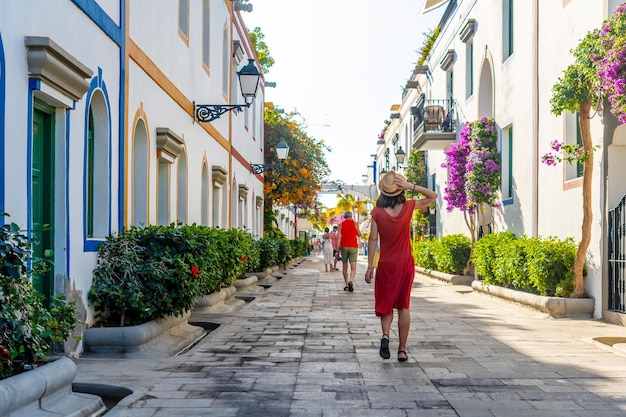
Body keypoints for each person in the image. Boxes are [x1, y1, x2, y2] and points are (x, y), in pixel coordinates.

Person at [365, 171, 437, 362]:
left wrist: (370, 267)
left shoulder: (377, 213)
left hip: (386, 264)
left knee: (386, 304)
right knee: (403, 306)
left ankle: (386, 335)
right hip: (405, 262)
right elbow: (433, 196)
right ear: (399, 189)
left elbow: (373, 239)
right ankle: (402, 350)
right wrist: (410, 186)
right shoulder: (409, 206)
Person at [337, 211, 362, 292]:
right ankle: (351, 280)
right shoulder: (355, 223)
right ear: (351, 216)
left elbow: (338, 238)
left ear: (344, 217)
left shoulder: (340, 225)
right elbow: (359, 234)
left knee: (345, 266)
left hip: (344, 246)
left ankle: (347, 285)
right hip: (353, 246)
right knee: (353, 266)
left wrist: (337, 250)